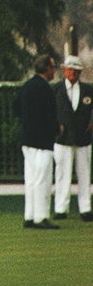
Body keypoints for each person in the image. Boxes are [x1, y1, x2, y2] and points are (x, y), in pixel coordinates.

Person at [17, 52, 60, 228]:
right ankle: (41, 217)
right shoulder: (44, 89)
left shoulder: (27, 86)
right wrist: (57, 129)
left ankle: (30, 215)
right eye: (53, 67)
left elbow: (16, 108)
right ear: (47, 68)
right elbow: (48, 115)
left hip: (27, 139)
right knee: (43, 179)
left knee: (32, 179)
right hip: (42, 141)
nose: (54, 71)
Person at [52, 52, 92, 223]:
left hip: (84, 138)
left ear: (80, 72)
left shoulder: (89, 90)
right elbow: (48, 112)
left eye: (76, 70)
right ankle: (61, 208)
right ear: (65, 71)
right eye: (70, 70)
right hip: (63, 139)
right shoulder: (56, 89)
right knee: (62, 174)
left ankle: (86, 208)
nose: (73, 73)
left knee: (84, 174)